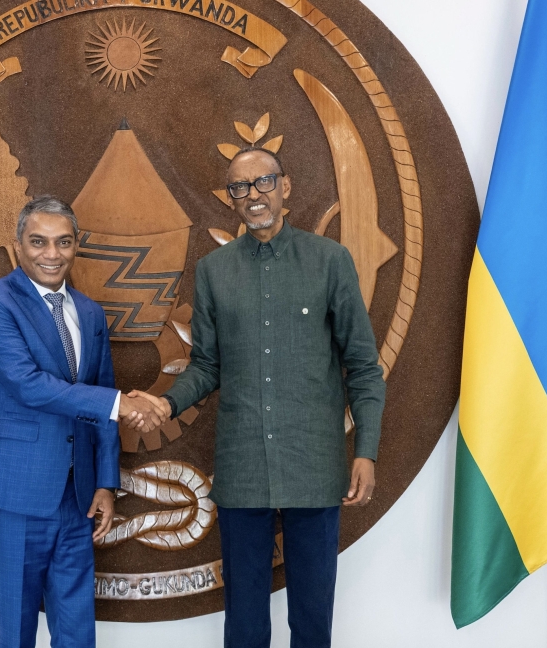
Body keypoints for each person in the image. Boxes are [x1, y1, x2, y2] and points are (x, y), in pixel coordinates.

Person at [136, 148, 386, 648]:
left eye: (263, 182)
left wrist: (366, 451)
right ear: (230, 198)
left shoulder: (329, 261)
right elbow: (207, 365)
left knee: (312, 622)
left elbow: (362, 365)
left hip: (313, 466)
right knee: (245, 624)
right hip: (243, 468)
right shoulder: (213, 271)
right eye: (239, 187)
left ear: (286, 187)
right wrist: (166, 403)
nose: (253, 196)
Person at [0, 196, 164, 648]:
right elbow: (29, 385)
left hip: (77, 498)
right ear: (18, 245)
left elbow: (100, 404)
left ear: (77, 246)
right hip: (17, 492)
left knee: (77, 626)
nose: (51, 254)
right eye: (38, 242)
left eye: (63, 242)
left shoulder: (90, 312)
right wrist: (119, 402)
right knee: (16, 625)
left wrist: (105, 483)